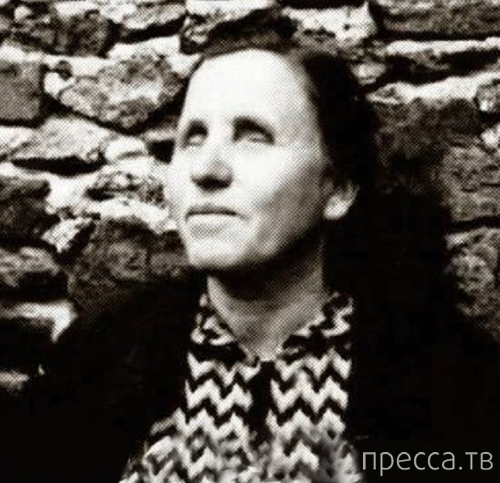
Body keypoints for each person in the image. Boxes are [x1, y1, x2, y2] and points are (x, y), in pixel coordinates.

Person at [0, 37, 469, 483]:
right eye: (192, 138)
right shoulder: (95, 365)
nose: (206, 170)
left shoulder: (445, 379)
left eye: (252, 136)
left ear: (337, 189)